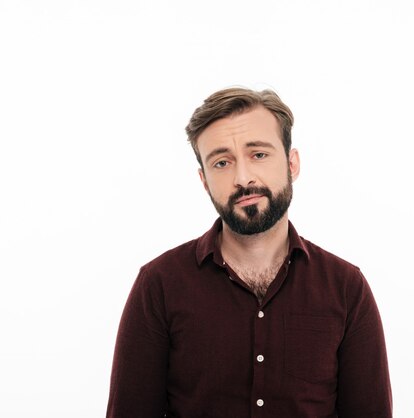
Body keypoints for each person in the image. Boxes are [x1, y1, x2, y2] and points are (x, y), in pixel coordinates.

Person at [106, 87, 392, 417]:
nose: (243, 178)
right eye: (222, 162)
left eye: (258, 154)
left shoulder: (346, 288)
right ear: (204, 180)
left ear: (292, 163)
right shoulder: (159, 285)